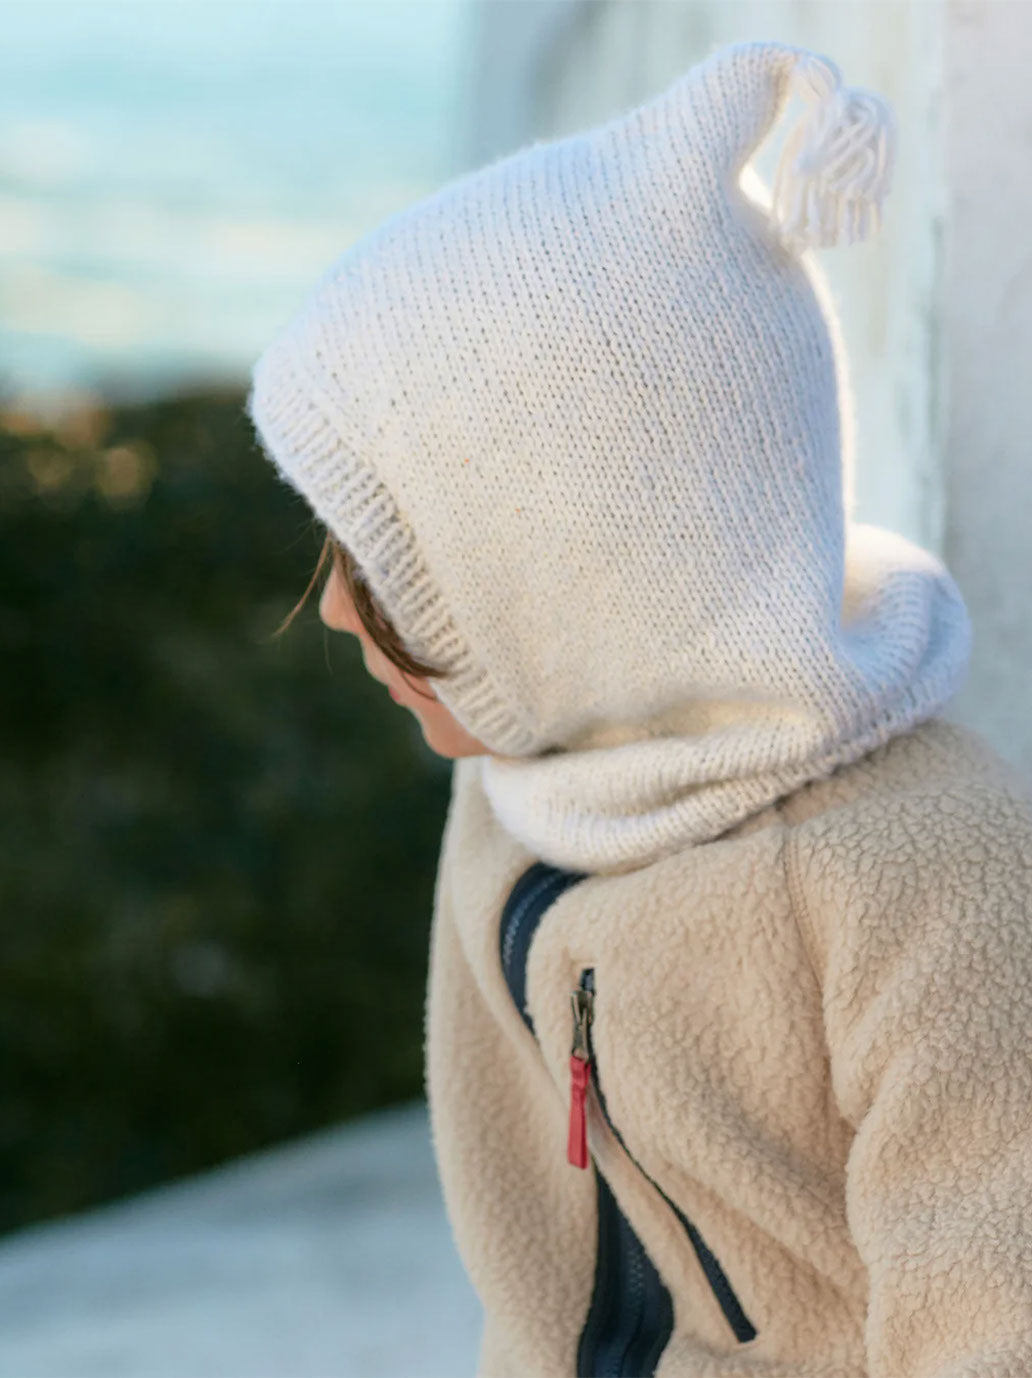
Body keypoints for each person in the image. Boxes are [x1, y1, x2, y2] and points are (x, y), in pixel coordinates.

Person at [247, 36, 1032, 1378]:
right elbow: (539, 1284)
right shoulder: (516, 802)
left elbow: (989, 1308)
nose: (333, 610)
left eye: (393, 567)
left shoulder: (925, 863)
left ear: (581, 570)